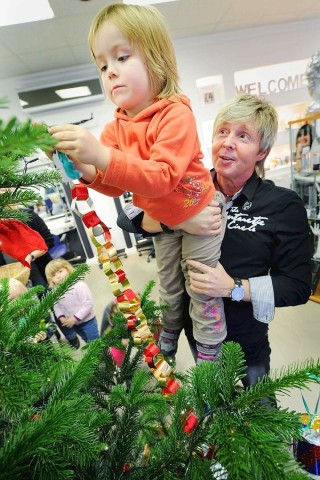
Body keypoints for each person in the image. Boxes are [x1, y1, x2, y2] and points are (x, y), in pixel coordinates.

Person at [47, 3, 227, 363]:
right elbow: (115, 185)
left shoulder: (175, 113)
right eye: (102, 64)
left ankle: (211, 355)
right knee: (170, 289)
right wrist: (84, 167)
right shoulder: (115, 128)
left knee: (201, 286)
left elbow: (160, 177)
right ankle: (170, 339)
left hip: (199, 214)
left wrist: (100, 156)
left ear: (157, 59)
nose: (111, 71)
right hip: (166, 223)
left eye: (122, 56)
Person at [119, 93, 312, 388]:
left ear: (262, 151)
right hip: (196, 333)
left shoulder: (283, 205)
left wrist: (232, 288)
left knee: (257, 409)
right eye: (222, 131)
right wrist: (179, 219)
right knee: (211, 407)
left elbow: (298, 286)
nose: (228, 142)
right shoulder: (187, 188)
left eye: (243, 135)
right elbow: (127, 218)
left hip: (246, 342)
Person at [45, 258, 100, 348]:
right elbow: (56, 306)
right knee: (85, 339)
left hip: (87, 321)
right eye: (54, 275)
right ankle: (93, 354)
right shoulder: (55, 291)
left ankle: (104, 356)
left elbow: (88, 304)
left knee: (95, 341)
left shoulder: (79, 285)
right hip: (74, 324)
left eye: (60, 271)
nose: (58, 276)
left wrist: (74, 318)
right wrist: (61, 317)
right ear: (51, 280)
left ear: (67, 268)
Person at [6, 277, 59, 343]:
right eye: (11, 299)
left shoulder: (37, 309)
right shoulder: (7, 321)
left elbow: (52, 325)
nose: (18, 302)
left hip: (45, 348)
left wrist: (46, 334)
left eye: (21, 296)